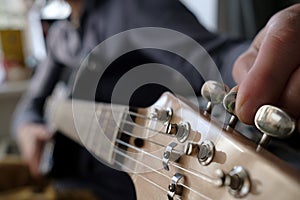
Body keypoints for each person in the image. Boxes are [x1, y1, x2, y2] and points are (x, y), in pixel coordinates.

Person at [11, 0, 300, 199]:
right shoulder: (60, 36)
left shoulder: (132, 6)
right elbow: (32, 100)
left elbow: (212, 56)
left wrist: (262, 64)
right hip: (67, 176)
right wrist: (27, 125)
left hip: (132, 184)